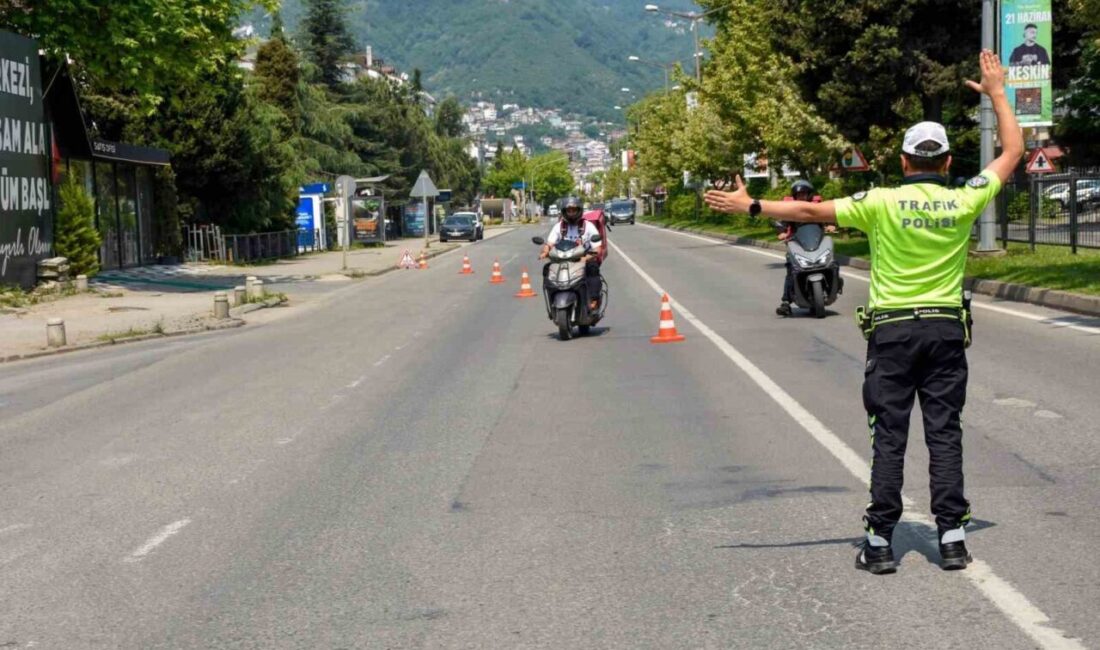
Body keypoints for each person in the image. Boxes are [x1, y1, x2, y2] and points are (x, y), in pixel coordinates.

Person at [703, 50, 1024, 574]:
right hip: (945, 331)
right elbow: (1012, 150)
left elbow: (810, 211)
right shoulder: (964, 199)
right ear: (946, 163)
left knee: (889, 435)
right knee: (944, 432)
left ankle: (879, 543)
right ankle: (952, 538)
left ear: (902, 162)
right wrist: (996, 93)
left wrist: (752, 206)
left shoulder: (879, 201)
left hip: (893, 335)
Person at [775, 180, 835, 316]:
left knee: (833, 263)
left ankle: (835, 285)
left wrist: (831, 224)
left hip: (817, 242)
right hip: (798, 243)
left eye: (804, 194)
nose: (801, 196)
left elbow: (829, 214)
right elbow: (780, 220)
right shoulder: (791, 209)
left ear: (809, 194)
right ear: (795, 196)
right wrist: (781, 231)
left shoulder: (818, 207)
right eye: (799, 194)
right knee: (791, 269)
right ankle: (785, 302)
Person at [540, 196, 603, 310]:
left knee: (592, 269)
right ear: (564, 211)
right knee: (547, 270)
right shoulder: (559, 226)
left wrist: (586, 258)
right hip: (562, 260)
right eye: (569, 210)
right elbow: (549, 243)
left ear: (579, 211)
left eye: (574, 210)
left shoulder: (588, 226)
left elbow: (597, 248)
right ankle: (552, 296)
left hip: (583, 259)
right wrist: (545, 252)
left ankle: (594, 299)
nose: (571, 213)